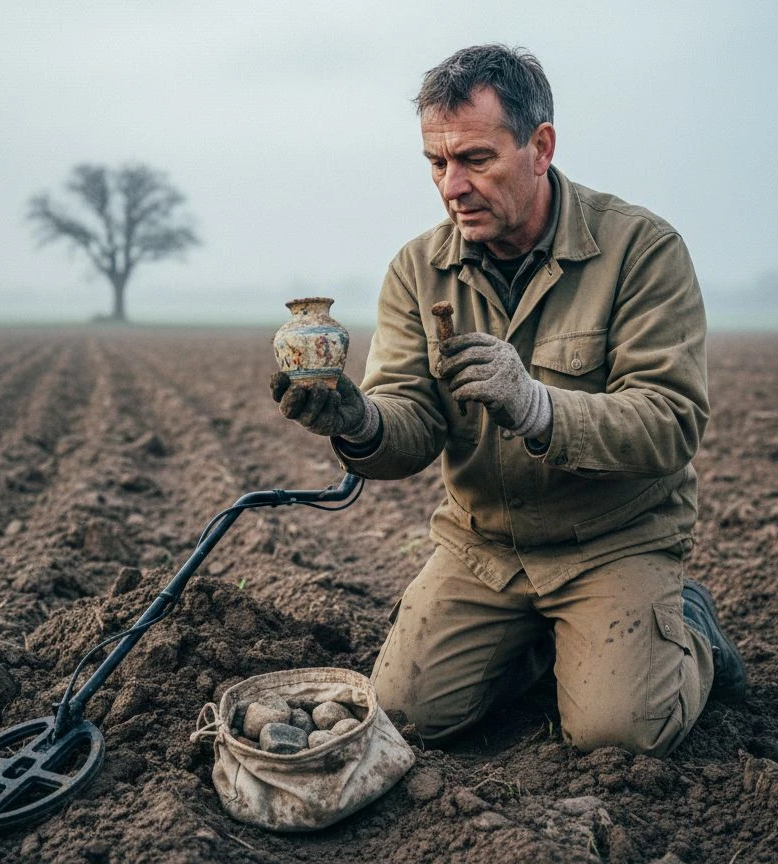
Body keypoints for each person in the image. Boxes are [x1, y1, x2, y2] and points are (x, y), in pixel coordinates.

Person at [270, 44, 745, 757]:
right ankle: (541, 645)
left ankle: (687, 628)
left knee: (619, 734)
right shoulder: (417, 269)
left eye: (475, 159)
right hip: (483, 548)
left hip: (610, 542)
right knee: (406, 719)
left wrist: (536, 405)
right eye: (437, 163)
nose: (451, 186)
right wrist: (357, 419)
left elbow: (669, 422)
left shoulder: (641, 251)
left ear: (540, 146)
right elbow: (410, 417)